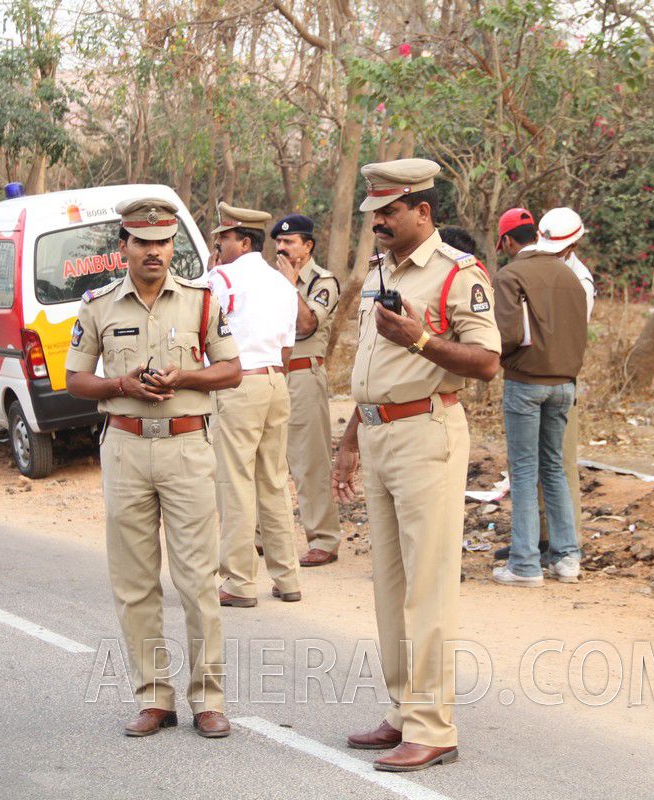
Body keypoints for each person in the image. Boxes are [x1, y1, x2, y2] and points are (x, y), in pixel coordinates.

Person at [332, 158, 500, 772]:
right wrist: (350, 438)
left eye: (389, 211)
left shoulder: (460, 274)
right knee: (390, 588)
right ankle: (405, 710)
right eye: (373, 212)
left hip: (427, 433)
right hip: (378, 435)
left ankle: (434, 726)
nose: (378, 221)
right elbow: (374, 369)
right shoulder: (381, 269)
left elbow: (486, 362)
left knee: (427, 589)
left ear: (423, 212)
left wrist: (421, 340)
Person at [65, 197, 239, 739]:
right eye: (142, 243)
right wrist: (121, 384)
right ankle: (154, 696)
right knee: (135, 580)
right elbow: (74, 380)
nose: (154, 253)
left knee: (197, 580)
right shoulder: (97, 306)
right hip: (125, 446)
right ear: (124, 247)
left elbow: (232, 369)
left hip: (187, 448)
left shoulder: (202, 302)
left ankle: (207, 698)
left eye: (163, 243)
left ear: (173, 248)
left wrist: (183, 379)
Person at [206, 202, 302, 608]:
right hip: (275, 381)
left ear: (243, 241)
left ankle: (240, 582)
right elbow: (286, 348)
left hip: (237, 384)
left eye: (223, 238)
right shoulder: (283, 283)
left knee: (234, 483)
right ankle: (287, 578)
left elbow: (200, 332)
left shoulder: (219, 277)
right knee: (274, 480)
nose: (218, 244)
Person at [490, 207, 588, 587]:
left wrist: (501, 358)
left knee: (525, 472)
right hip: (565, 384)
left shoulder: (510, 275)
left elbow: (509, 334)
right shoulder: (571, 276)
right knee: (554, 469)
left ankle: (525, 564)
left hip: (526, 382)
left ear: (509, 242)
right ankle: (567, 558)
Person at [269, 213, 343, 567]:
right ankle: (260, 537)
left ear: (308, 245)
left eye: (289, 242)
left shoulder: (322, 281)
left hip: (304, 376)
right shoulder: (269, 279)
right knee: (266, 458)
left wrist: (289, 284)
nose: (281, 248)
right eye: (278, 243)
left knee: (309, 461)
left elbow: (306, 325)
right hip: (272, 375)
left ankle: (324, 539)